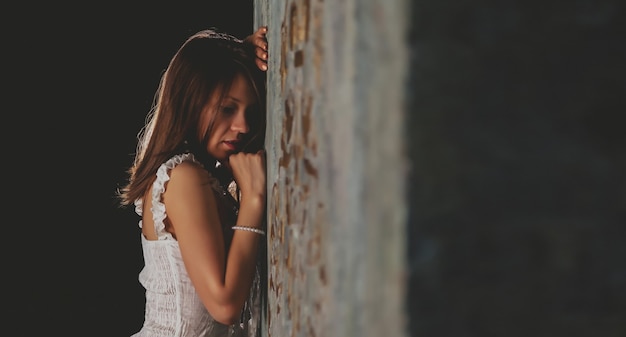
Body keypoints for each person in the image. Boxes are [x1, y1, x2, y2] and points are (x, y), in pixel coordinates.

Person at [117, 25, 269, 337]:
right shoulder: (183, 177)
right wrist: (253, 200)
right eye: (228, 109)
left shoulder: (196, 176)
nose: (241, 126)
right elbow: (224, 305)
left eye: (248, 112)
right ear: (191, 101)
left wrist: (238, 52)